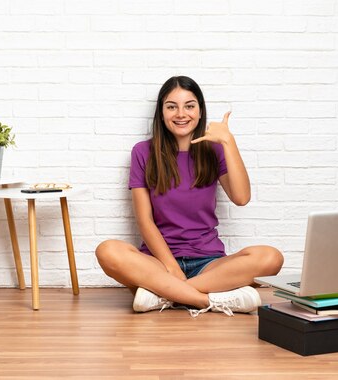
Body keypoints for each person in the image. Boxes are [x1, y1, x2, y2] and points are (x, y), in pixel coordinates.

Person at [95, 76, 283, 316]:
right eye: (171, 106)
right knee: (108, 250)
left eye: (189, 106)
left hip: (209, 263)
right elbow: (145, 220)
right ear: (161, 113)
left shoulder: (214, 150)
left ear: (200, 110)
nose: (181, 113)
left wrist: (228, 141)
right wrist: (171, 268)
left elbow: (241, 197)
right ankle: (208, 301)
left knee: (270, 258)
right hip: (158, 263)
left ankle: (164, 296)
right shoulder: (142, 152)